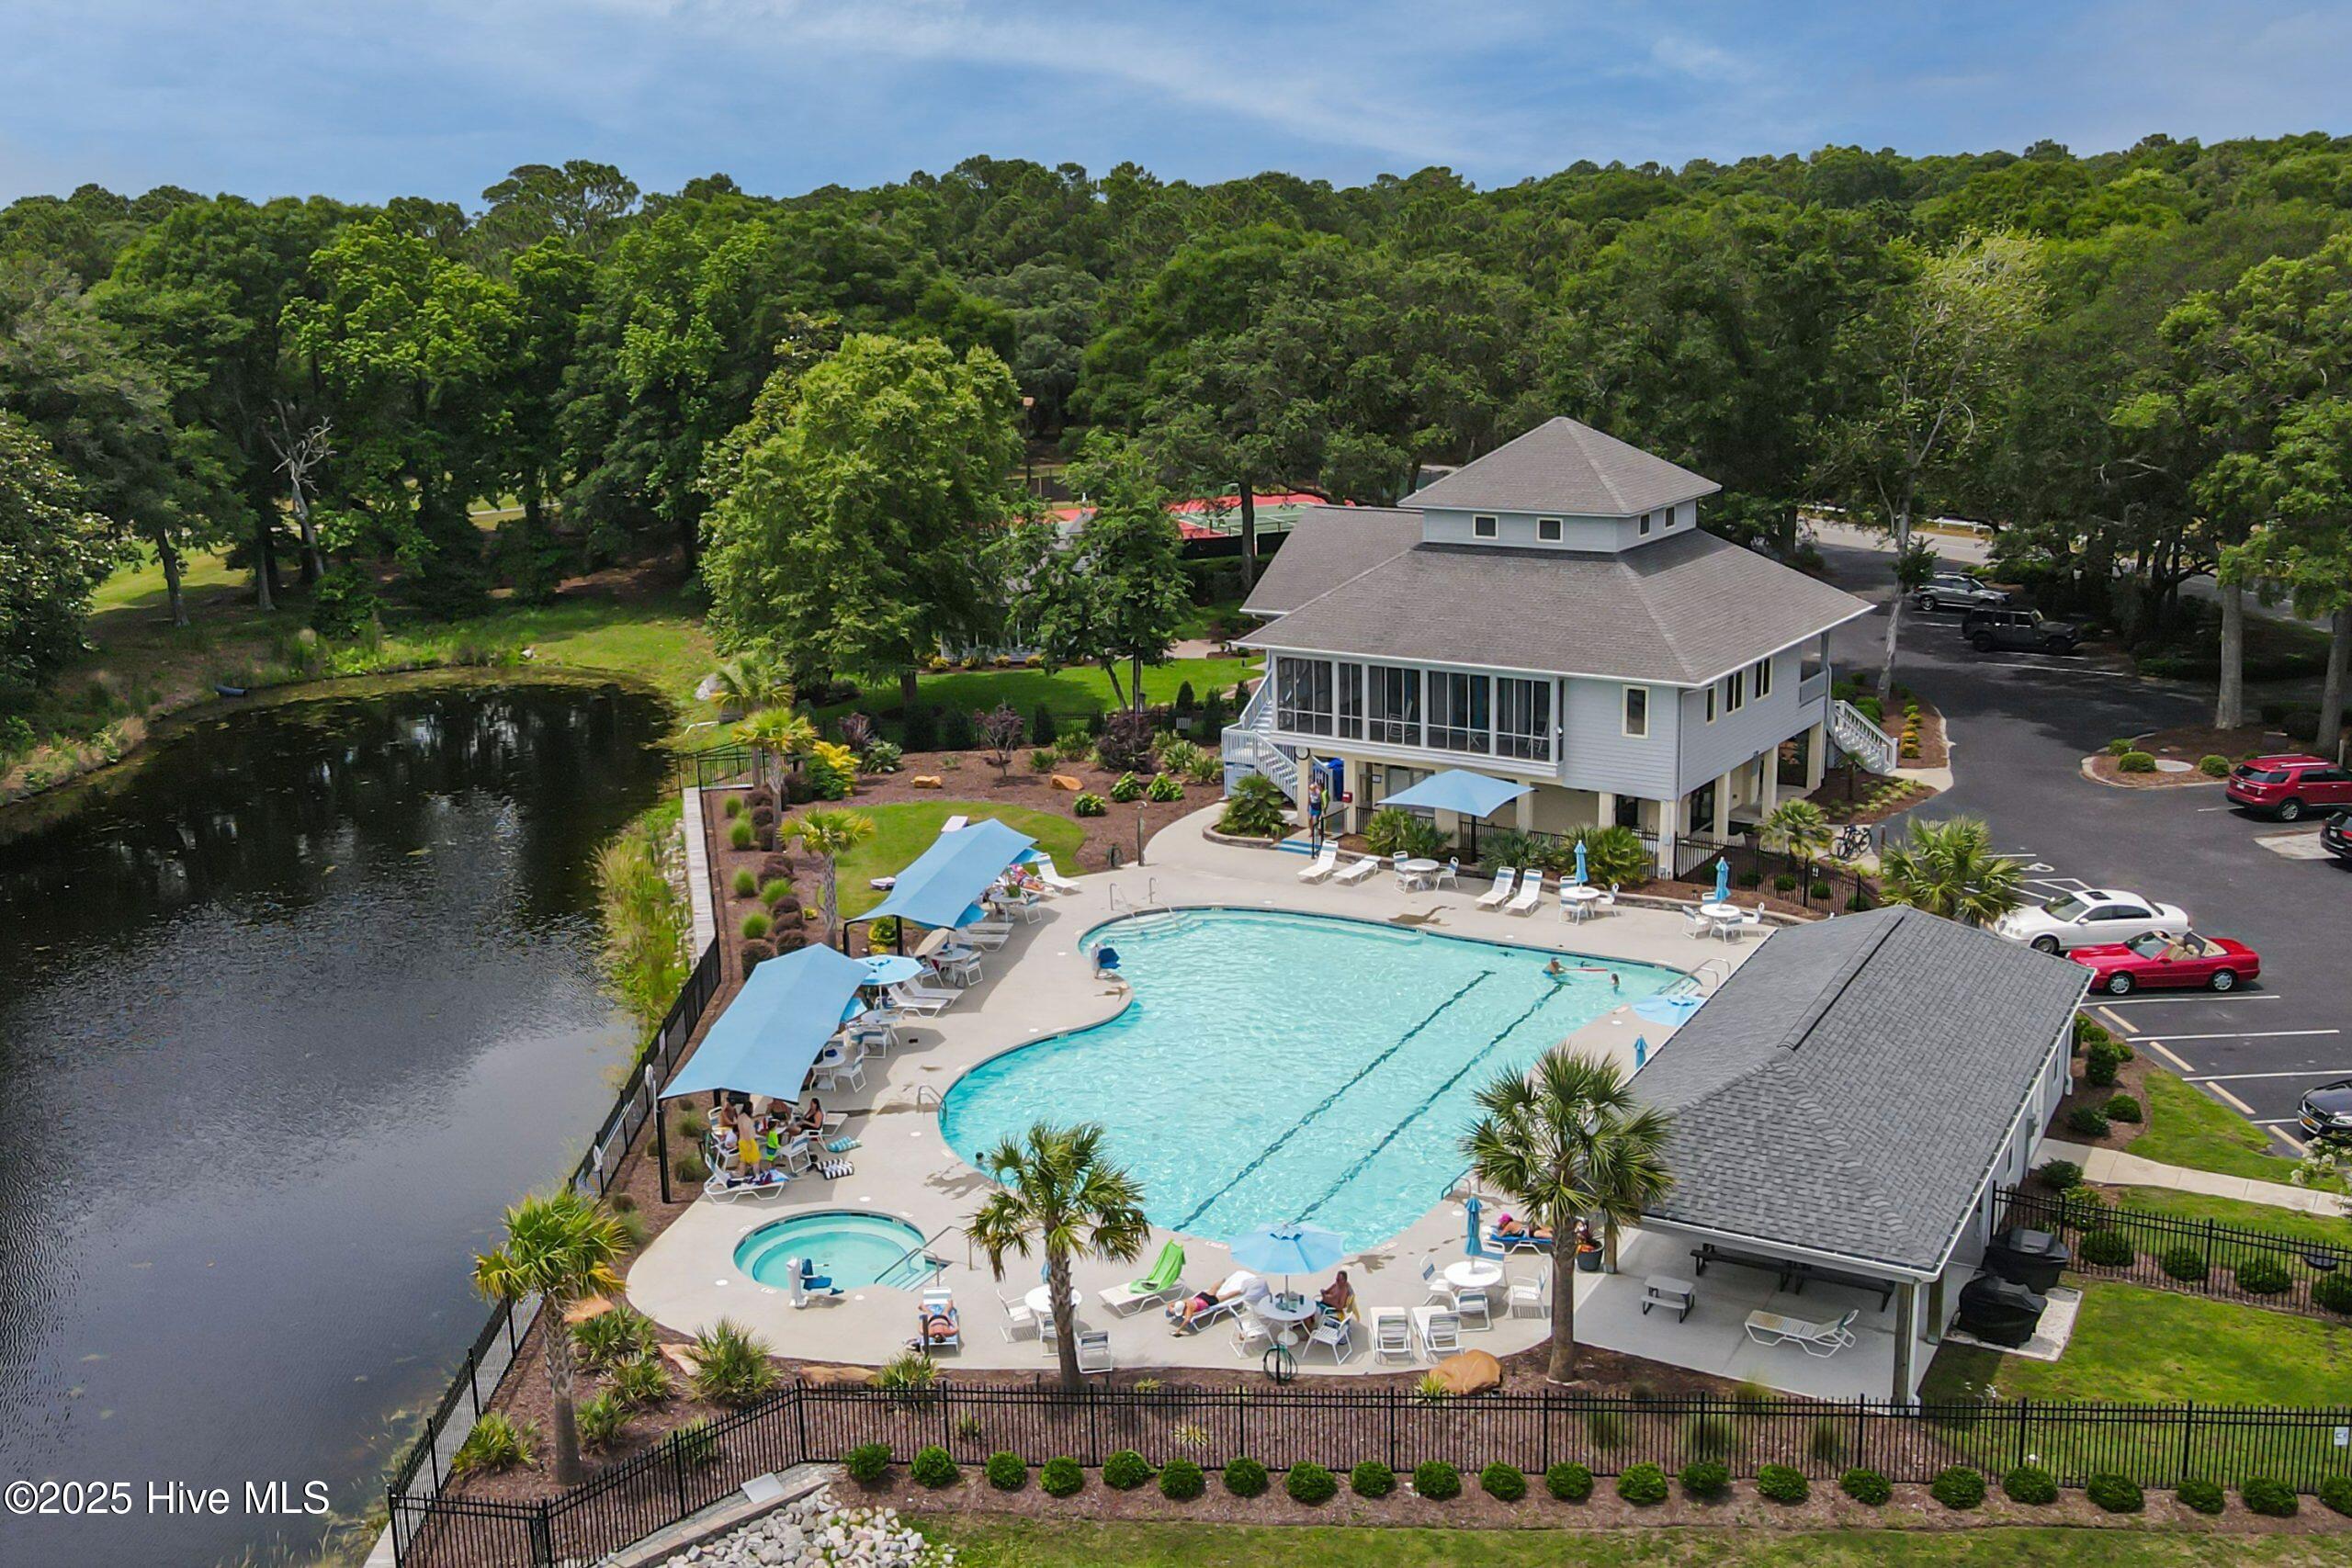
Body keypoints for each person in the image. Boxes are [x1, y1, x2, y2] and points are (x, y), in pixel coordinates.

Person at [1166, 1269, 1263, 1334]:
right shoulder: (1183, 1302)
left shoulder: (1188, 1309)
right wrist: (1172, 1309)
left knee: (1226, 1296)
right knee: (1213, 1288)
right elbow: (1169, 1304)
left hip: (1209, 1302)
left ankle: (1241, 1290)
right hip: (1202, 1296)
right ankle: (1222, 1281)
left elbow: (1187, 1320)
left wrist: (1178, 1330)